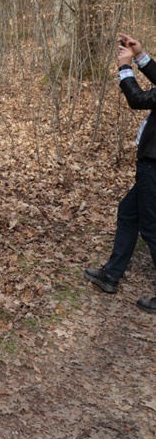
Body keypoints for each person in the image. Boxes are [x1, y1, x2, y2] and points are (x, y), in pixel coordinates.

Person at [85, 32, 156, 314]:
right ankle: (111, 275)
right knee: (128, 213)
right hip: (150, 164)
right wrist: (140, 56)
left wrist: (125, 67)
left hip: (154, 165)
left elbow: (138, 99)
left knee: (151, 228)